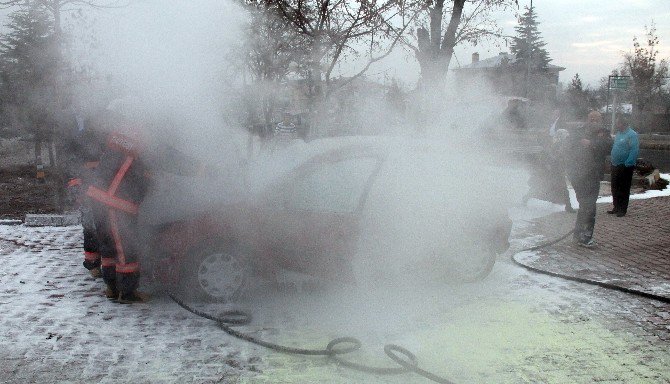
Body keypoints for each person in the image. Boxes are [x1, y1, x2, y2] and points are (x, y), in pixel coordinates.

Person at [87, 97, 205, 304]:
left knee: (108, 249)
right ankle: (128, 293)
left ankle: (112, 288)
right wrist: (202, 169)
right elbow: (170, 158)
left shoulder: (121, 134)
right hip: (117, 202)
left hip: (98, 197)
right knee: (126, 249)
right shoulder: (144, 138)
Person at [58, 104, 106, 278]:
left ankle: (97, 261)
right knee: (89, 222)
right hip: (82, 180)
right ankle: (93, 263)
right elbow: (67, 158)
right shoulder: (70, 129)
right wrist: (74, 184)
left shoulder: (98, 128)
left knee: (99, 221)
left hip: (98, 181)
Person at [565, 111, 612, 247]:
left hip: (592, 175)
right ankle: (582, 236)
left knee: (588, 205)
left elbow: (608, 146)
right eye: (591, 118)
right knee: (586, 204)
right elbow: (568, 147)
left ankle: (583, 235)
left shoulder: (604, 133)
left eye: (597, 119)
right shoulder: (578, 131)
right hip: (578, 174)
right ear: (587, 119)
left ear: (601, 120)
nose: (594, 121)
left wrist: (591, 144)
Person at [608, 115, 639, 217]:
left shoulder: (632, 135)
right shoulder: (618, 133)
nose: (616, 125)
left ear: (623, 124)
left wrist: (628, 163)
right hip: (615, 164)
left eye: (618, 123)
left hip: (625, 166)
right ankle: (616, 207)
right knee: (615, 187)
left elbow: (634, 150)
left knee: (623, 188)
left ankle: (622, 209)